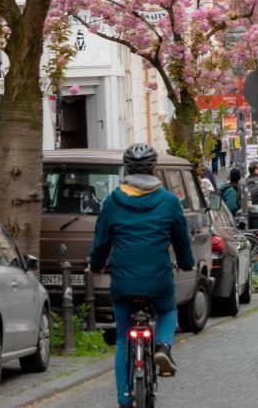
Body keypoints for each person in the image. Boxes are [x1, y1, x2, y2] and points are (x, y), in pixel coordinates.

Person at [88, 143, 194, 407]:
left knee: (124, 335)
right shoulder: (169, 202)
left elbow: (101, 242)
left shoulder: (112, 201)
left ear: (126, 169)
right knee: (169, 312)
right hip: (158, 278)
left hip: (123, 280)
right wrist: (186, 263)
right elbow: (181, 240)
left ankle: (124, 398)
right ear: (154, 169)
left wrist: (97, 265)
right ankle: (163, 347)